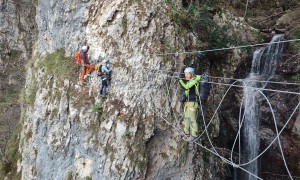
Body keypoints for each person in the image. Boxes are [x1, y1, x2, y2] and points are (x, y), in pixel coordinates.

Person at [178, 67, 201, 142]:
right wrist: (184, 96)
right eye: (185, 74)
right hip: (188, 103)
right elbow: (187, 91)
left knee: (192, 119)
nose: (186, 75)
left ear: (192, 74)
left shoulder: (195, 81)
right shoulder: (190, 80)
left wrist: (180, 80)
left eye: (188, 74)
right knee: (186, 118)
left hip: (193, 103)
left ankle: (194, 135)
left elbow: (186, 87)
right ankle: (186, 132)